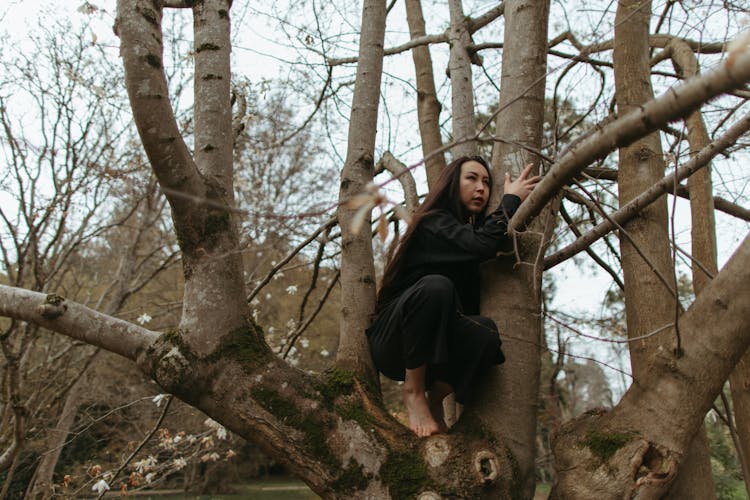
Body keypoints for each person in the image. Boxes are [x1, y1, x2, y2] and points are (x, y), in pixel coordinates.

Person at [366, 155, 540, 437]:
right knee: (438, 286)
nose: (481, 188)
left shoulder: (463, 237)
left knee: (485, 331)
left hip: (435, 351)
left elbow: (479, 247)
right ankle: (413, 392)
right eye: (471, 178)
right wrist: (511, 201)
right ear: (451, 184)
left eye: (486, 182)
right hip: (394, 339)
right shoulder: (433, 222)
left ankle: (435, 401)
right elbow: (480, 246)